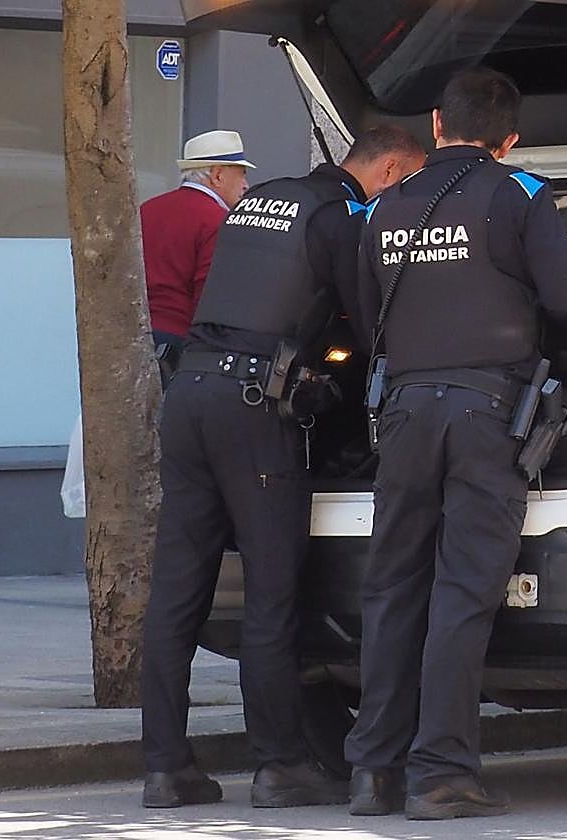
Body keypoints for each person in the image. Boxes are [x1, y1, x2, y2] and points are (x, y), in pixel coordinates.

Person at [140, 124, 426, 810]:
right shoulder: (339, 217)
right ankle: (279, 765)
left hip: (190, 395)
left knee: (175, 595)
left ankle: (166, 769)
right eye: (408, 183)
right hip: (252, 408)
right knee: (272, 597)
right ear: (389, 171)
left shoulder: (259, 199)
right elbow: (371, 322)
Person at [346, 67, 567, 820]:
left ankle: (374, 773)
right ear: (509, 139)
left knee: (392, 588)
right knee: (461, 592)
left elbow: (365, 320)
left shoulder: (383, 206)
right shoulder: (519, 194)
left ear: (436, 124)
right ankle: (441, 774)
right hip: (486, 414)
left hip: (401, 414)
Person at [141, 130, 254, 350]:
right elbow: (210, 298)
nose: (245, 184)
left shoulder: (147, 209)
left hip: (134, 334)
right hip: (180, 342)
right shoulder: (219, 220)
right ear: (218, 175)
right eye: (241, 174)